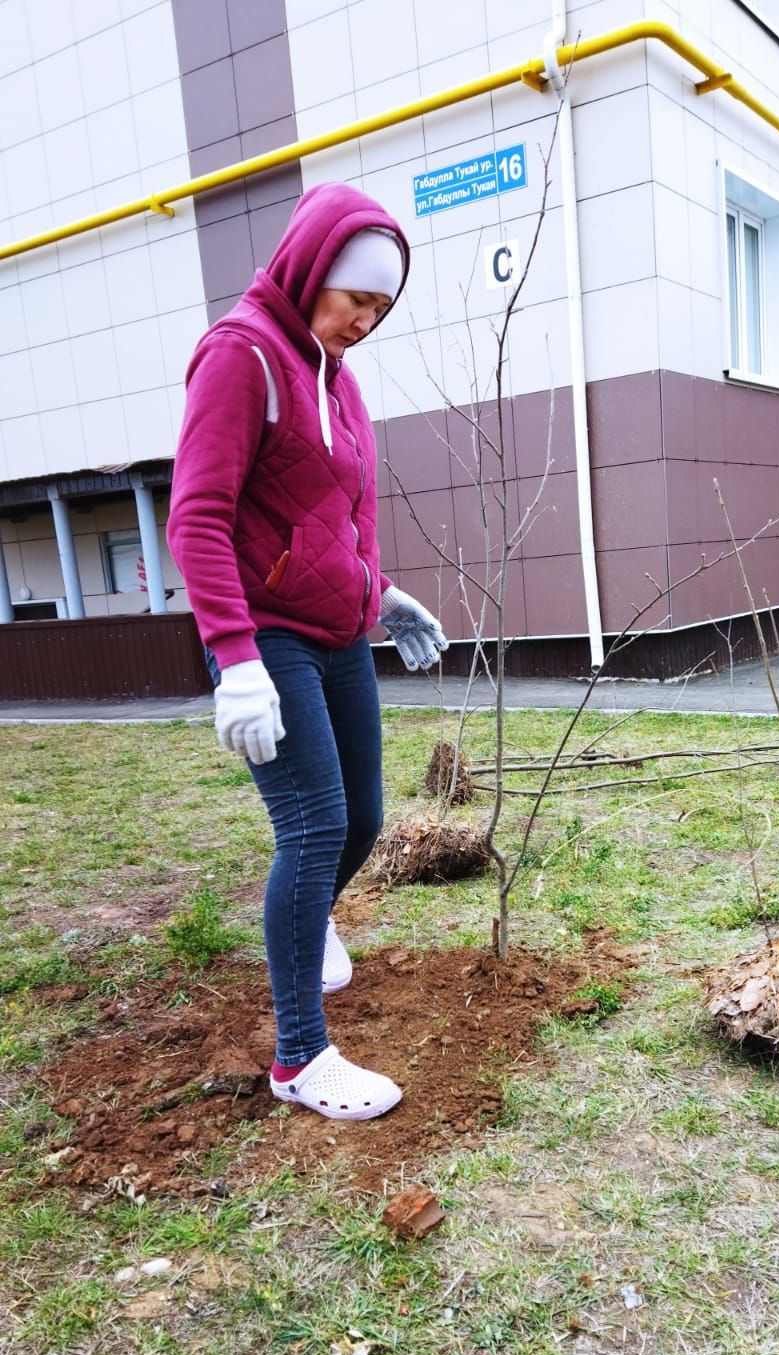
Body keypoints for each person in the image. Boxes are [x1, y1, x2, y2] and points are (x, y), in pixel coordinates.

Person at [167, 183, 448, 1122]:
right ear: (311, 266)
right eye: (355, 299)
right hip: (267, 636)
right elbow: (199, 517)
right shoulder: (240, 356)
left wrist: (382, 593)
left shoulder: (343, 382)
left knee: (362, 819)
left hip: (337, 635)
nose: (364, 321)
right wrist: (234, 657)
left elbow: (337, 526)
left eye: (380, 309)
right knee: (313, 826)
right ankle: (300, 1056)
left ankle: (304, 925)